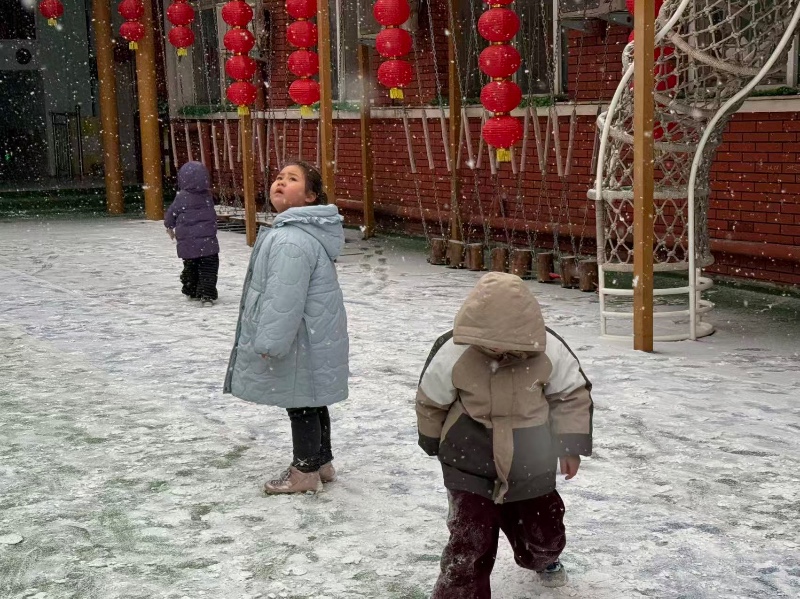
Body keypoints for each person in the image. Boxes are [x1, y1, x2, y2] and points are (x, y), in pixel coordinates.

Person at [415, 272, 594, 597]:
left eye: (506, 341)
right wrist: (431, 438)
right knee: (468, 542)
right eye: (488, 341)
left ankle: (543, 558)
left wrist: (570, 446)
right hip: (469, 460)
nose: (496, 348)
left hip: (531, 460)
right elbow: (431, 399)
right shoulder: (454, 349)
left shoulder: (549, 349)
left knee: (543, 533)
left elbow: (571, 396)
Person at [224, 160, 349, 494]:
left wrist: (270, 342)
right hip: (311, 335)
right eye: (279, 177)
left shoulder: (291, 240)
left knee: (301, 403)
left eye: (292, 179)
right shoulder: (297, 233)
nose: (280, 182)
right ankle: (321, 462)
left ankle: (304, 471)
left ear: (310, 196)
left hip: (299, 339)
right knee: (312, 398)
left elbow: (284, 298)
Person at [164, 161, 220, 305]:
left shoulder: (181, 197)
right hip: (208, 242)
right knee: (208, 268)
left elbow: (171, 214)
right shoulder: (208, 196)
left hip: (188, 242)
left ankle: (191, 288)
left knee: (191, 265)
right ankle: (207, 294)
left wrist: (169, 226)